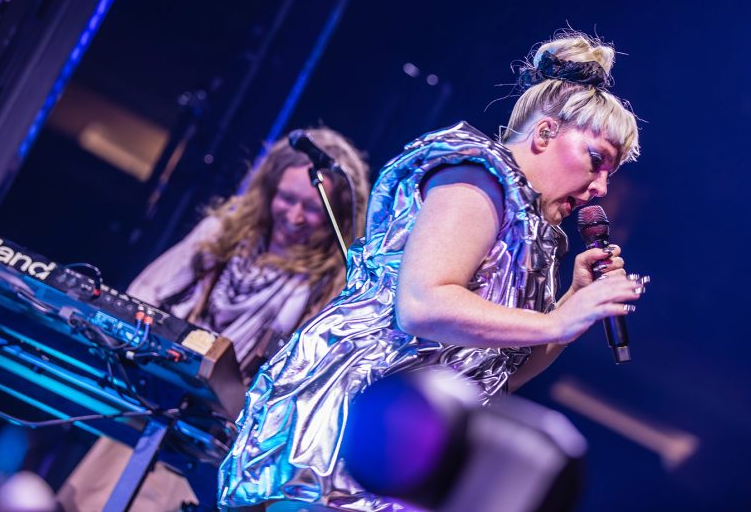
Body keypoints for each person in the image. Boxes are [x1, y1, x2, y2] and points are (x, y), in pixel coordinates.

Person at [218, 31, 650, 510]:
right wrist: (555, 320)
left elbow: (501, 374)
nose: (600, 188)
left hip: (408, 447)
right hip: (347, 430)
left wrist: (571, 307)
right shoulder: (479, 178)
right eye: (596, 161)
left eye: (611, 173)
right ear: (545, 134)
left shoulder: (535, 236)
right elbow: (423, 305)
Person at [56, 127, 370, 511]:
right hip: (153, 406)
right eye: (287, 199)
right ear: (269, 190)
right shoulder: (221, 235)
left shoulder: (329, 286)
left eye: (313, 210)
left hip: (218, 444)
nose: (295, 216)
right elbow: (141, 299)